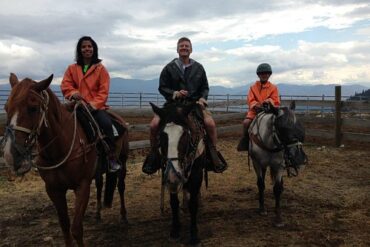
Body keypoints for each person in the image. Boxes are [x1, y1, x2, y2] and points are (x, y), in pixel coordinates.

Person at [142, 37, 227, 175]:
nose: (184, 48)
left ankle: (213, 154)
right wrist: (174, 93)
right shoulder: (169, 68)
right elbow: (162, 87)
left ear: (191, 49)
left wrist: (202, 98)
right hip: (172, 105)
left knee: (210, 123)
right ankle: (153, 155)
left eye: (187, 46)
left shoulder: (199, 68)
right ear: (177, 49)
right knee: (154, 124)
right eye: (181, 46)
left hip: (194, 105)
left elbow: (205, 87)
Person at [61, 36, 120, 172]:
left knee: (106, 124)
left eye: (89, 46)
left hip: (95, 107)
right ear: (79, 50)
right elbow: (66, 85)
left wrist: (93, 104)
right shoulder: (72, 68)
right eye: (84, 47)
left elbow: (103, 91)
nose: (87, 49)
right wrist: (72, 93)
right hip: (76, 105)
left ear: (94, 49)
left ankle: (111, 157)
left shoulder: (101, 70)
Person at [237, 63, 280, 151]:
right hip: (255, 111)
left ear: (269, 75)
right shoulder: (253, 88)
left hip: (269, 111)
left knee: (281, 122)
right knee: (246, 123)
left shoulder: (273, 88)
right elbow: (250, 100)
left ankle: (284, 143)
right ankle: (245, 140)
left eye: (266, 73)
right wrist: (257, 105)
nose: (264, 75)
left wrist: (268, 102)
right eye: (262, 73)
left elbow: (276, 100)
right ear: (258, 75)